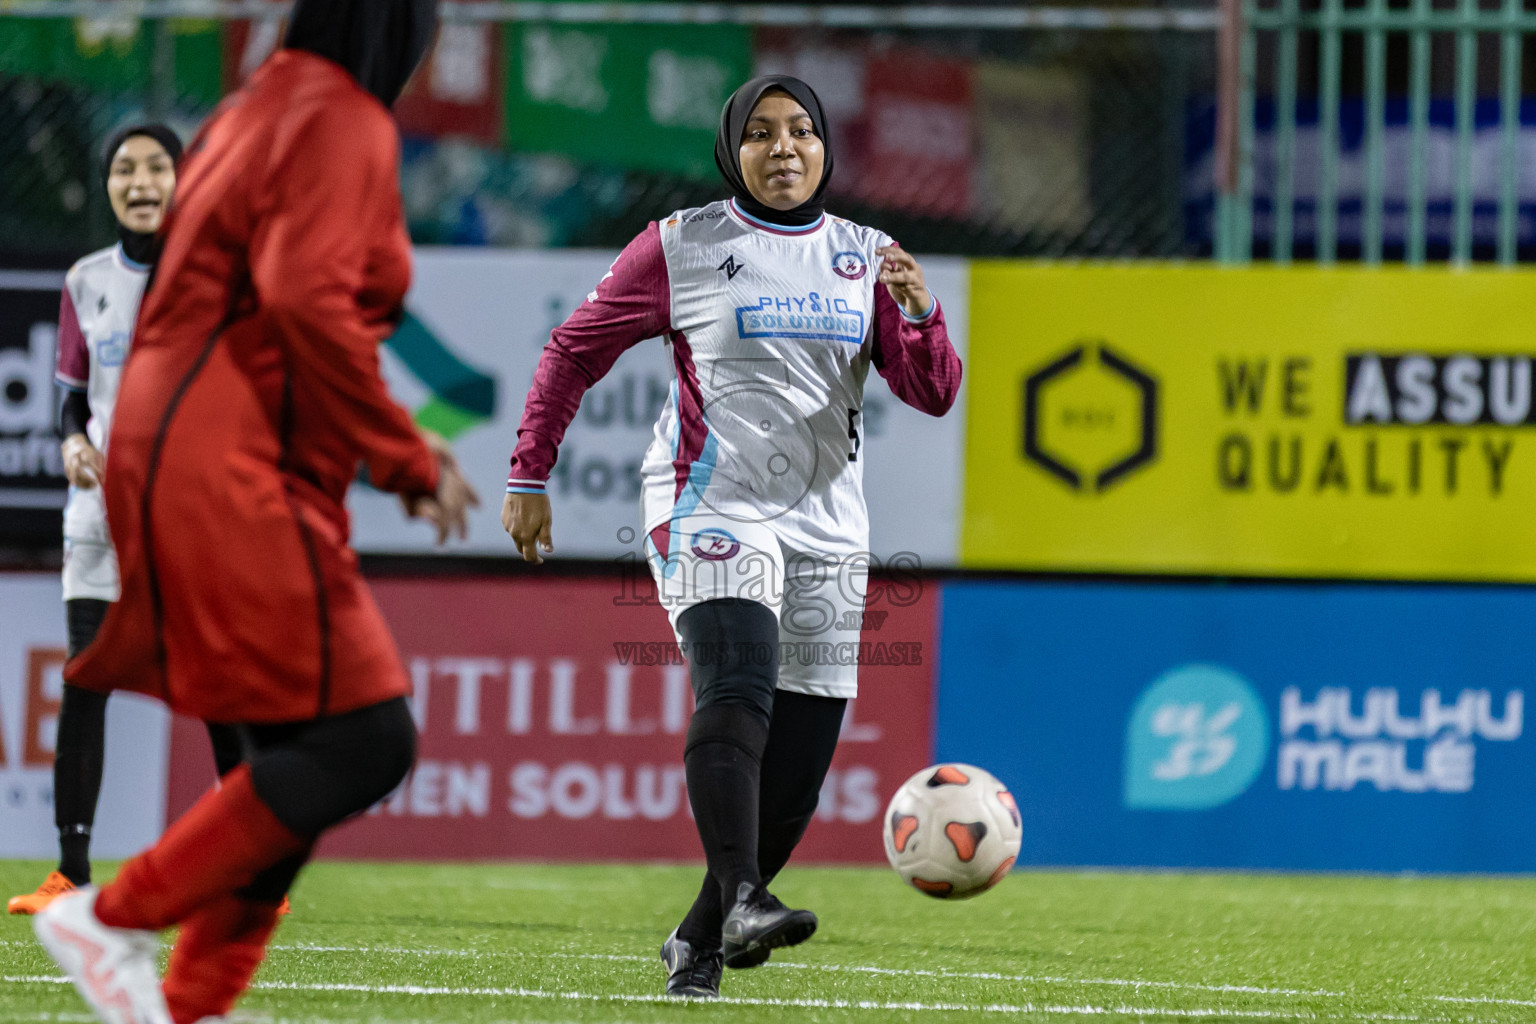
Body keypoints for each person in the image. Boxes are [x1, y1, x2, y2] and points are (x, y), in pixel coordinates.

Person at [32, 3, 476, 1023]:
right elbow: (304, 295)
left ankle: (195, 1004)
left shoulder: (249, 108)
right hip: (229, 461)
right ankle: (114, 914)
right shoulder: (344, 117)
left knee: (297, 759)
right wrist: (402, 449)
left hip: (178, 447)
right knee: (368, 741)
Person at [502, 75, 962, 998]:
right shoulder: (683, 244)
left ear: (826, 149)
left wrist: (918, 312)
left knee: (796, 772)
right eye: (759, 134)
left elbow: (933, 392)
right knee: (738, 683)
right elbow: (573, 348)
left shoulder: (865, 255)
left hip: (830, 527)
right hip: (711, 503)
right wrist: (529, 471)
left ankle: (700, 936)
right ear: (731, 152)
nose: (782, 148)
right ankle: (747, 892)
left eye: (800, 132)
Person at [5, 125, 257, 920]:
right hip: (101, 514)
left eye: (157, 167)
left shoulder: (220, 274)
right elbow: (72, 393)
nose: (141, 181)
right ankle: (70, 874)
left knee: (217, 684)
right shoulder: (85, 280)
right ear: (110, 185)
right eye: (125, 168)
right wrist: (76, 441)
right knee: (85, 679)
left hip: (192, 511)